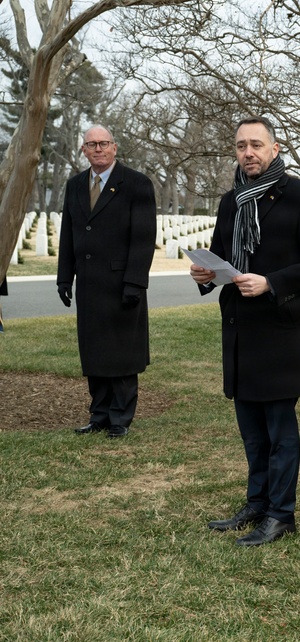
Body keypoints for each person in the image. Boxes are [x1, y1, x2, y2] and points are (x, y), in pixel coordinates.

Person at [190, 117, 300, 547]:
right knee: (251, 429)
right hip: (239, 329)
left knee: (279, 430)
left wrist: (271, 282)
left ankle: (281, 514)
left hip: (279, 330)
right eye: (240, 146)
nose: (247, 153)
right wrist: (204, 273)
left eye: (256, 144)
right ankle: (256, 503)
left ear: (274, 148)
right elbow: (219, 256)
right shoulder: (231, 201)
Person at [56, 125, 156, 438]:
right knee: (95, 353)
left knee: (122, 354)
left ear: (114, 147)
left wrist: (134, 283)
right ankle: (98, 415)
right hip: (88, 284)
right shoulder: (74, 185)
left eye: (103, 143)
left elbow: (143, 238)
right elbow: (68, 234)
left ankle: (119, 419)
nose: (98, 149)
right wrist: (64, 277)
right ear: (83, 150)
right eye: (91, 144)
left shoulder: (136, 184)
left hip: (121, 284)